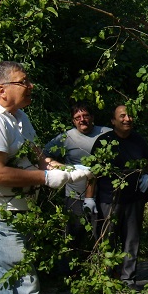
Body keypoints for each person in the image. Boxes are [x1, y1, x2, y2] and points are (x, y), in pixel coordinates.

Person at [0, 61, 93, 294]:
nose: (30, 86)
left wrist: (67, 171)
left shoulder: (18, 117)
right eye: (23, 82)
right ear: (2, 90)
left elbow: (37, 159)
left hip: (13, 214)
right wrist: (45, 178)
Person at [90, 105, 148, 288]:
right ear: (113, 121)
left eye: (129, 115)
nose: (127, 119)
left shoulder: (139, 141)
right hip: (109, 200)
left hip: (134, 199)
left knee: (131, 240)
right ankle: (107, 278)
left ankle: (128, 279)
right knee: (107, 239)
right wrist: (89, 198)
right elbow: (93, 173)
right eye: (122, 116)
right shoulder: (104, 141)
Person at [43, 101, 111, 264]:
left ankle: (104, 270)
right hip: (75, 195)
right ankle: (70, 271)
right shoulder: (66, 138)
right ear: (73, 121)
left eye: (85, 115)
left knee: (103, 234)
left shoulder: (106, 134)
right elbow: (43, 157)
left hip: (103, 195)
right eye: (77, 117)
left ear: (92, 117)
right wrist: (66, 168)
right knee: (74, 235)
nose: (82, 120)